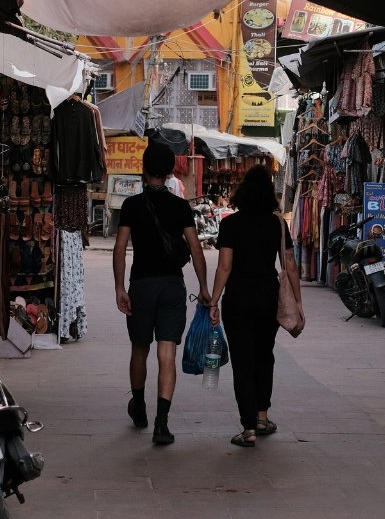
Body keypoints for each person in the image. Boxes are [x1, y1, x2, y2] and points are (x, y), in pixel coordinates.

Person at [113, 142, 210, 445]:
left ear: (144, 170)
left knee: (139, 348)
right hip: (171, 287)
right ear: (170, 173)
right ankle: (161, 424)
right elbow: (196, 250)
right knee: (166, 351)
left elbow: (119, 249)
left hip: (141, 286)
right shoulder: (181, 207)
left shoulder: (131, 206)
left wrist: (119, 287)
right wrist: (204, 288)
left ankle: (139, 407)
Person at [207, 165, 302, 448]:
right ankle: (262, 417)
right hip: (267, 297)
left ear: (243, 192)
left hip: (237, 298)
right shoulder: (277, 224)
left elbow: (225, 266)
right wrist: (298, 302)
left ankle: (248, 427)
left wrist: (214, 300)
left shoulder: (230, 224)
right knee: (264, 356)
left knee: (243, 361)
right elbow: (290, 266)